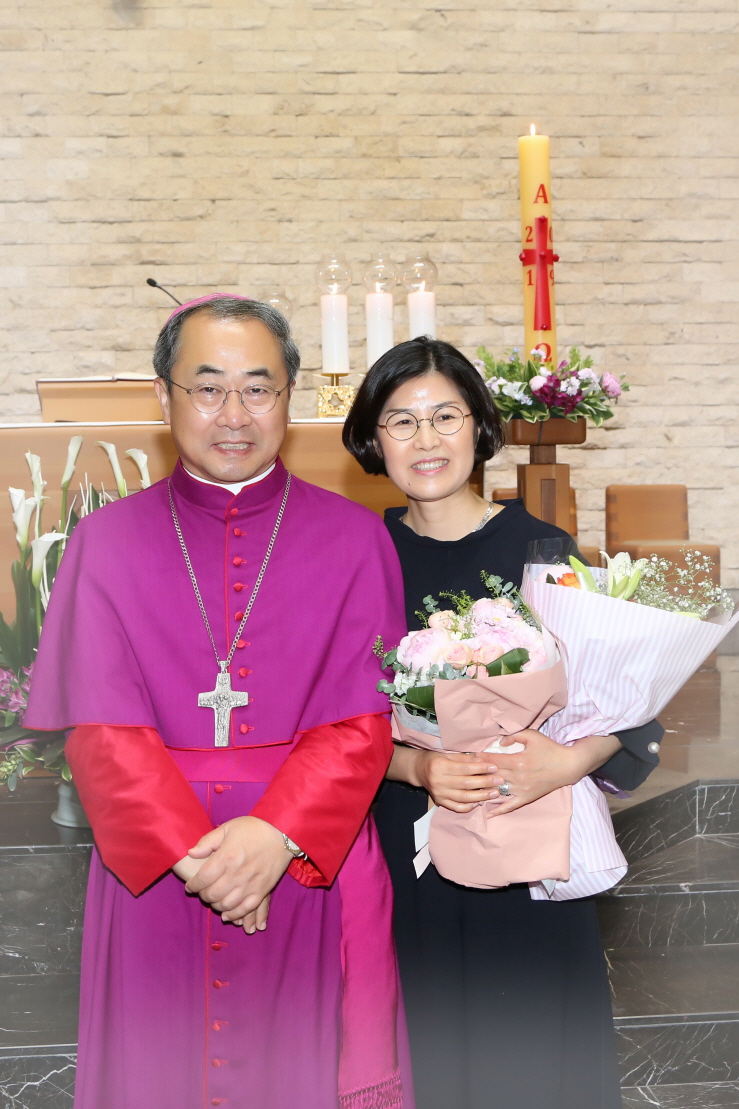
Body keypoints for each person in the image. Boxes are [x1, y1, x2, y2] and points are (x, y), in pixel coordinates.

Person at [25, 294, 412, 1109]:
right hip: (154, 868)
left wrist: (273, 837)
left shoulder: (354, 537)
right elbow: (99, 730)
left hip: (301, 860)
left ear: (288, 396)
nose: (233, 414)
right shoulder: (104, 542)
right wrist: (195, 858)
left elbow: (361, 722)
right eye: (207, 388)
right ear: (162, 396)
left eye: (257, 388)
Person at [343, 336, 664, 1109]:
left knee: (536, 1057)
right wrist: (418, 766)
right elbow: (334, 718)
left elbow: (631, 701)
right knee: (433, 1051)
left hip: (531, 850)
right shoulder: (360, 557)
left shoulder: (542, 549)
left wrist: (567, 760)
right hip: (412, 853)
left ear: (480, 426)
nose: (425, 439)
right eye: (401, 420)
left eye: (444, 415)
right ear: (373, 439)